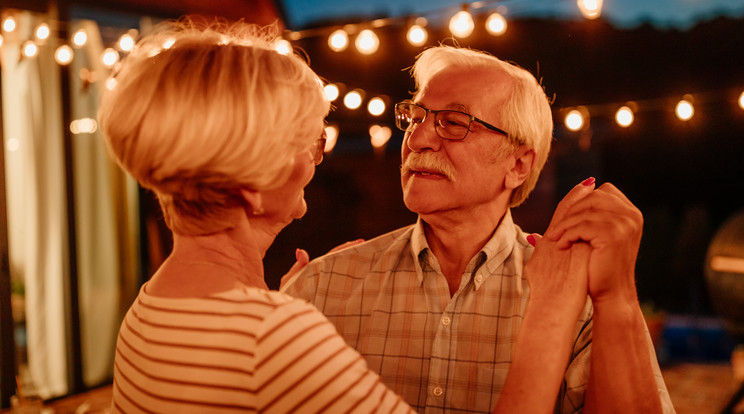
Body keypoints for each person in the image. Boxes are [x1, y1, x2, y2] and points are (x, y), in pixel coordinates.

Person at [282, 45, 675, 413]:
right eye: (415, 118)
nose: (417, 139)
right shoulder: (321, 286)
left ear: (518, 165)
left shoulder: (582, 302)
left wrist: (617, 295)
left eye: (454, 123)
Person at [98, 18, 417, 413]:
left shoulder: (149, 308)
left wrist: (272, 304)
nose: (318, 160)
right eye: (312, 142)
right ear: (252, 188)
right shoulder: (273, 337)